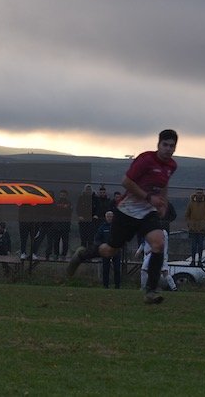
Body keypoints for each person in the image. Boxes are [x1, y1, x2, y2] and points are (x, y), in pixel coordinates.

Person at [67, 129, 179, 305]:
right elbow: (126, 182)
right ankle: (82, 255)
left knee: (158, 244)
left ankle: (150, 291)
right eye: (165, 145)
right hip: (127, 211)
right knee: (110, 250)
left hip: (147, 212)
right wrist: (149, 197)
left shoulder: (171, 166)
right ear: (158, 145)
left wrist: (163, 202)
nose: (168, 149)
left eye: (171, 146)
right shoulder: (146, 159)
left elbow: (164, 184)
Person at [185, 189, 205, 266]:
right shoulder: (191, 203)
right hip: (193, 228)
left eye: (200, 193)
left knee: (200, 245)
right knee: (193, 245)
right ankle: (193, 260)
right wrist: (189, 224)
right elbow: (187, 215)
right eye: (198, 193)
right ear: (195, 194)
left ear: (203, 194)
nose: (199, 195)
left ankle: (200, 260)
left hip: (202, 229)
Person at [95, 210, 121, 289]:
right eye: (108, 217)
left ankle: (117, 286)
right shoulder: (102, 227)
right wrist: (102, 245)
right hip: (106, 251)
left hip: (116, 250)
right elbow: (97, 239)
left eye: (111, 217)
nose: (109, 218)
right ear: (105, 218)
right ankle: (105, 285)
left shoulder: (117, 227)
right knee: (106, 269)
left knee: (117, 269)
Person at [77, 184, 96, 249]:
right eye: (87, 189)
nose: (88, 191)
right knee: (83, 239)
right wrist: (80, 215)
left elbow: (98, 208)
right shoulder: (81, 198)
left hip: (92, 221)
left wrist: (95, 215)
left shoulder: (95, 198)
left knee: (91, 239)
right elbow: (78, 208)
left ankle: (89, 254)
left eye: (89, 189)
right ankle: (83, 254)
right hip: (83, 221)